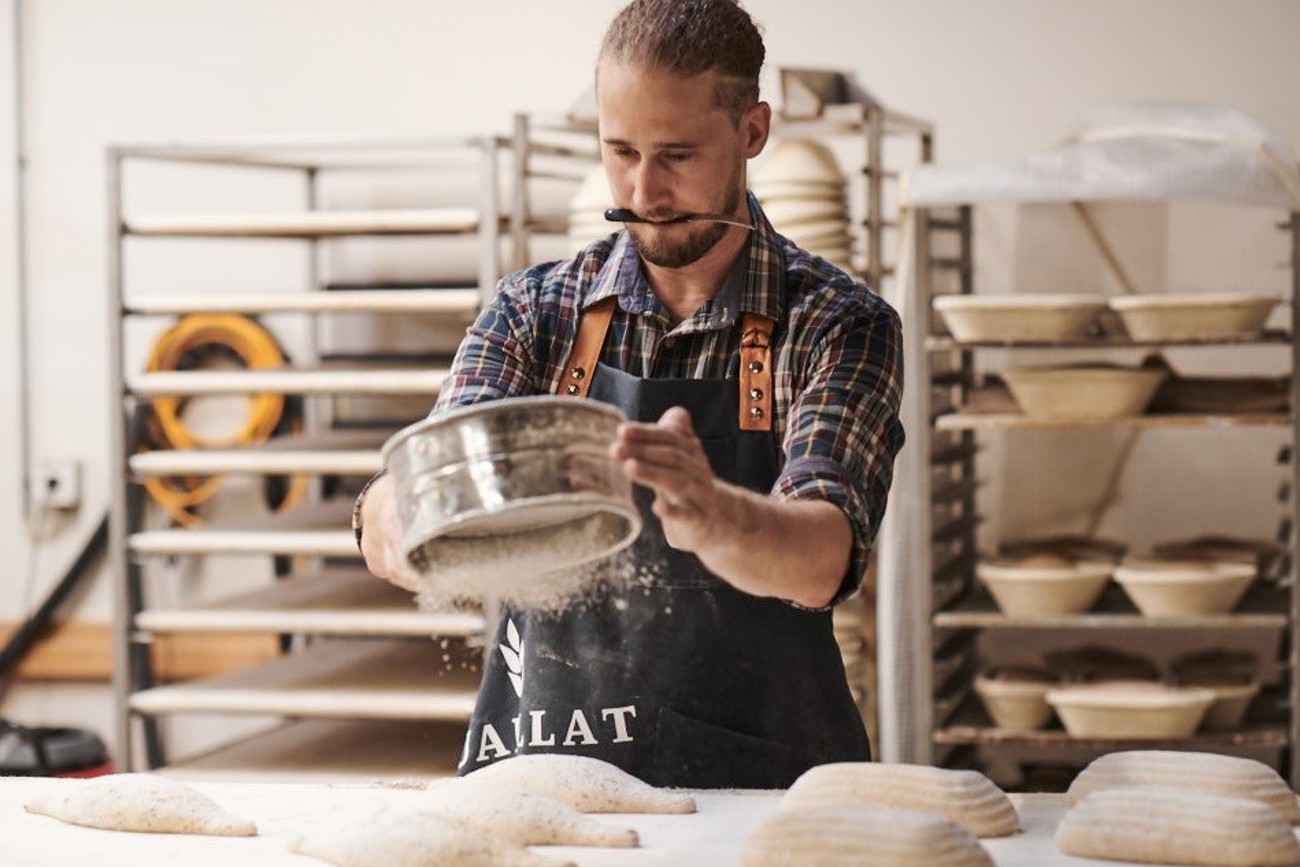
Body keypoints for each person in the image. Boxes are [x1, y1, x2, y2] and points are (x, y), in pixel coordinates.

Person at [354, 0, 904, 789]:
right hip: (545, 775)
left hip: (761, 797)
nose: (644, 189)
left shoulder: (836, 324)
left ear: (752, 131)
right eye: (621, 152)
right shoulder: (535, 312)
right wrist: (402, 515)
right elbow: (397, 515)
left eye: (677, 155)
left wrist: (715, 513)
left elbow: (822, 556)